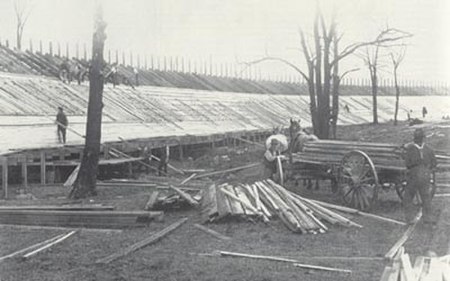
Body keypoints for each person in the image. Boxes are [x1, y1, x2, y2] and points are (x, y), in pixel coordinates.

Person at [403, 128, 437, 225]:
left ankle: (409, 218)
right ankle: (428, 218)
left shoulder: (410, 149)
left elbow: (407, 164)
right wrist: (428, 170)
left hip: (414, 176)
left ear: (415, 139)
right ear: (423, 138)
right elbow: (434, 163)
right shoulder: (429, 149)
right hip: (425, 175)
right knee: (426, 197)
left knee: (408, 197)